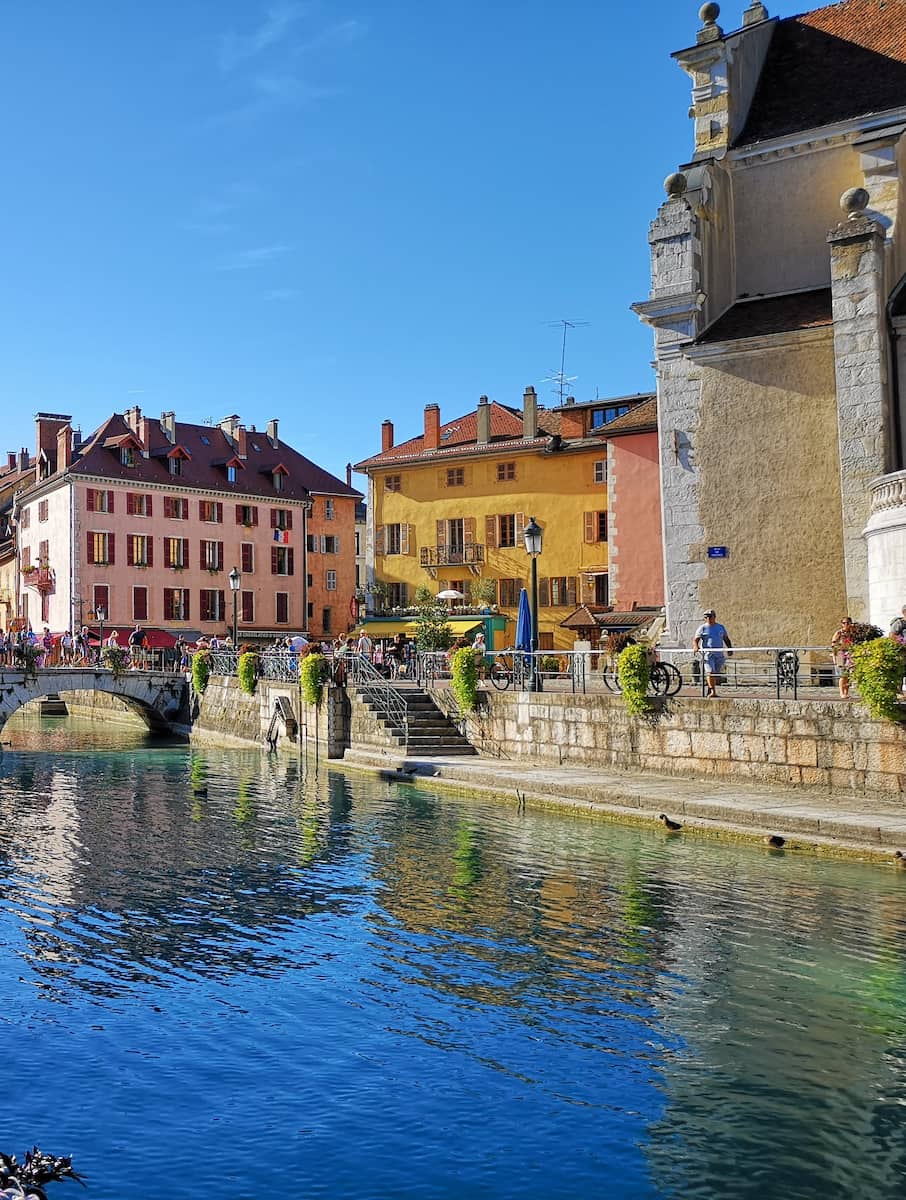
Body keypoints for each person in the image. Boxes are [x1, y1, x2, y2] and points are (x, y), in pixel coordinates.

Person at [692, 609, 733, 698]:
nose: (708, 619)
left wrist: (730, 649)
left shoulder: (720, 627)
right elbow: (696, 639)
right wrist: (696, 646)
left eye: (710, 617)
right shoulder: (702, 628)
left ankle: (710, 688)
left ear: (714, 617)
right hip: (708, 654)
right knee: (710, 672)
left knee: (715, 674)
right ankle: (713, 691)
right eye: (706, 617)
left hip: (719, 654)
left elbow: (726, 639)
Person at [831, 616, 855, 699]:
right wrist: (834, 657)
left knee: (847, 675)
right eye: (844, 623)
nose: (846, 624)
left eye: (848, 623)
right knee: (842, 675)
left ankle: (846, 693)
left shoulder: (851, 633)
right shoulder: (839, 633)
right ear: (841, 624)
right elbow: (833, 645)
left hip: (849, 654)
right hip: (840, 654)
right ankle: (841, 693)